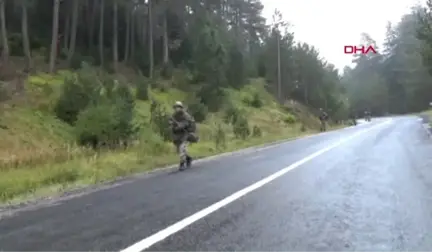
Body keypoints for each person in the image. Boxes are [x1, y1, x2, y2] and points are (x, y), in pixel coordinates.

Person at [169, 101, 196, 170]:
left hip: (186, 134)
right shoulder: (174, 116)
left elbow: (187, 123)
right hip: (178, 135)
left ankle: (182, 164)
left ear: (181, 108)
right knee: (180, 150)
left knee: (181, 148)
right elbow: (171, 122)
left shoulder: (185, 115)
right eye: (175, 107)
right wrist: (173, 124)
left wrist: (180, 125)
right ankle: (188, 158)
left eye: (177, 107)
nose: (176, 109)